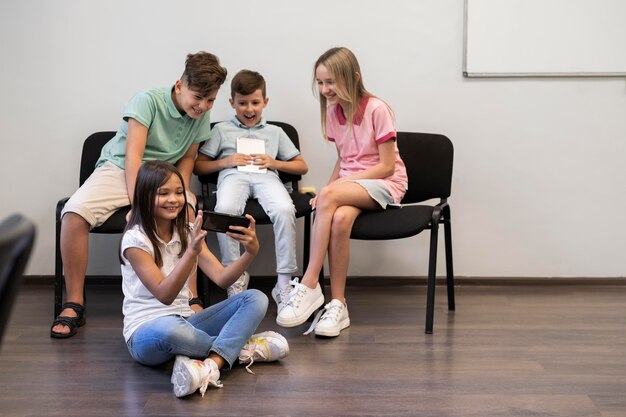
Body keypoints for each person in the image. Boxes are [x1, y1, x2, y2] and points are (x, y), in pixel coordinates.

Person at [51, 52, 227, 338]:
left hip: (164, 176)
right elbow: (133, 156)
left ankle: (191, 297)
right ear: (179, 85)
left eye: (210, 101)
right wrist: (139, 203)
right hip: (122, 169)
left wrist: (181, 195)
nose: (203, 106)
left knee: (189, 214)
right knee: (72, 213)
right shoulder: (147, 100)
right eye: (198, 97)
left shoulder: (201, 114)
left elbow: (187, 160)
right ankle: (74, 302)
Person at [121, 160, 289, 398]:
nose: (174, 199)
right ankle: (243, 348)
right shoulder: (135, 241)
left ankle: (210, 365)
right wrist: (191, 252)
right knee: (170, 329)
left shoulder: (188, 230)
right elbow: (164, 294)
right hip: (146, 332)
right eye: (164, 193)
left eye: (179, 192)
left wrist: (250, 252)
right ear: (145, 197)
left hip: (188, 322)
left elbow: (222, 278)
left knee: (255, 298)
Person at [276, 47, 408, 337]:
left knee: (329, 196)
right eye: (321, 83)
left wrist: (333, 190)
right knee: (339, 219)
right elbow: (344, 159)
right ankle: (338, 304)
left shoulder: (377, 109)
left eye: (331, 82)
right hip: (354, 184)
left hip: (386, 183)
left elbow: (386, 167)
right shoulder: (334, 113)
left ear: (354, 77)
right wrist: (330, 187)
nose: (325, 89)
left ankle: (310, 284)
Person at [194, 69, 308, 309]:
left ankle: (284, 283)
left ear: (265, 102)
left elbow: (301, 166)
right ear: (232, 103)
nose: (249, 109)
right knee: (225, 209)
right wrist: (227, 161)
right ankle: (234, 277)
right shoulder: (221, 130)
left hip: (266, 177)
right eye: (242, 103)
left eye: (255, 103)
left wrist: (273, 162)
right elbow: (199, 166)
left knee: (285, 208)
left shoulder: (275, 132)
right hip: (233, 176)